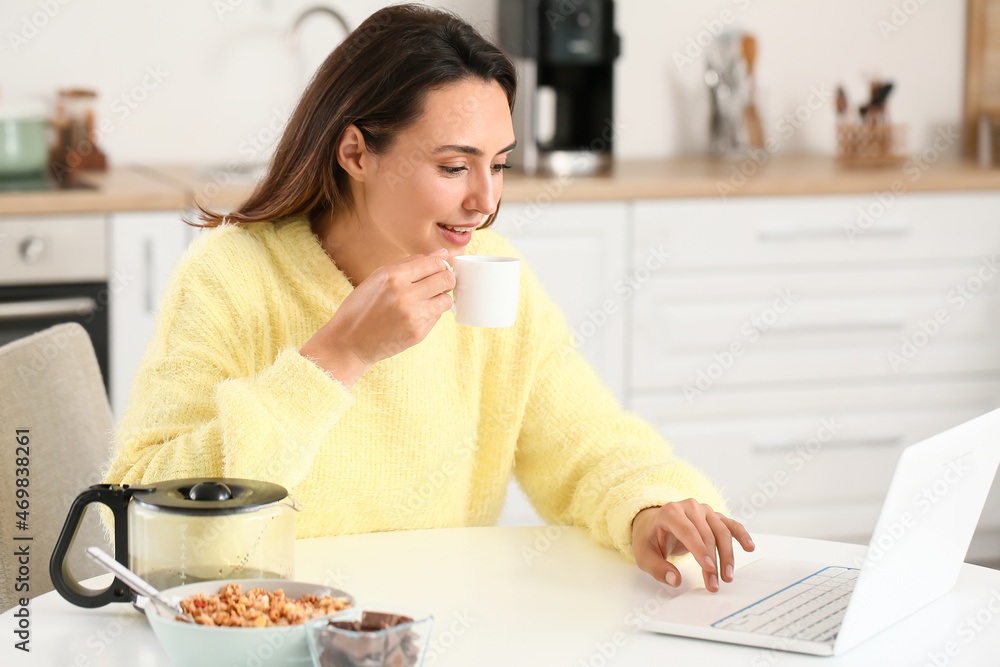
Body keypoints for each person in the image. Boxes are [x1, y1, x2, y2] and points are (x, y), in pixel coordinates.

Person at [104, 4, 753, 593]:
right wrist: (336, 357)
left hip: (438, 628)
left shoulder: (493, 271)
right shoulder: (232, 276)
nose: (485, 200)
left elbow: (590, 445)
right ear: (356, 151)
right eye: (453, 166)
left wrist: (650, 505)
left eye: (497, 164)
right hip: (266, 630)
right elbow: (137, 518)